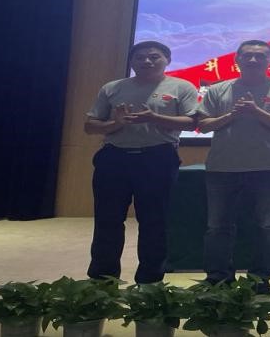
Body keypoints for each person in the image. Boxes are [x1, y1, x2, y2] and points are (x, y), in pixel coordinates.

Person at [84, 40, 198, 283]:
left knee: (154, 221)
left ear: (167, 60)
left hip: (157, 158)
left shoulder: (181, 87)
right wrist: (116, 124)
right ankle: (102, 280)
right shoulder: (112, 88)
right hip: (114, 158)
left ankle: (150, 281)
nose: (147, 61)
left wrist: (154, 117)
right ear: (132, 61)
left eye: (154, 57)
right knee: (107, 220)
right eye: (140, 57)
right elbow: (90, 126)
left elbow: (191, 123)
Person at [196, 40, 270, 294]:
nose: (253, 60)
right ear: (237, 59)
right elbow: (204, 125)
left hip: (268, 166)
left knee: (266, 225)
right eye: (247, 55)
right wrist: (231, 115)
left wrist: (256, 111)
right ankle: (218, 279)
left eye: (260, 56)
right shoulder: (218, 90)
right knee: (217, 226)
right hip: (222, 167)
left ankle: (260, 280)